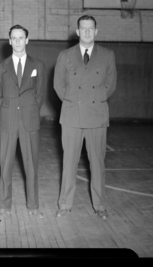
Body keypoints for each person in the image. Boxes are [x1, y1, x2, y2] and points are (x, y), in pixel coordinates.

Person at [53, 15, 117, 220]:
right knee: (69, 162)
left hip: (96, 116)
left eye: (91, 28)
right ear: (77, 32)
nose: (87, 31)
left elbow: (110, 85)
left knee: (97, 163)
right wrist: (73, 101)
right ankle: (64, 205)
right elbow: (58, 85)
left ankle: (100, 206)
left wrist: (94, 101)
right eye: (83, 28)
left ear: (96, 32)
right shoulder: (65, 55)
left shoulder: (108, 55)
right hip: (72, 115)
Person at [0, 24, 47, 219]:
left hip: (29, 121)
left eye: (21, 38)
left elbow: (39, 94)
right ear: (9, 41)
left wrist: (29, 110)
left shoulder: (38, 65)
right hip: (7, 121)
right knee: (5, 165)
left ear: (27, 40)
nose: (17, 41)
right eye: (13, 38)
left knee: (31, 165)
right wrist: (6, 112)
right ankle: (4, 207)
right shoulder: (0, 66)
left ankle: (33, 206)